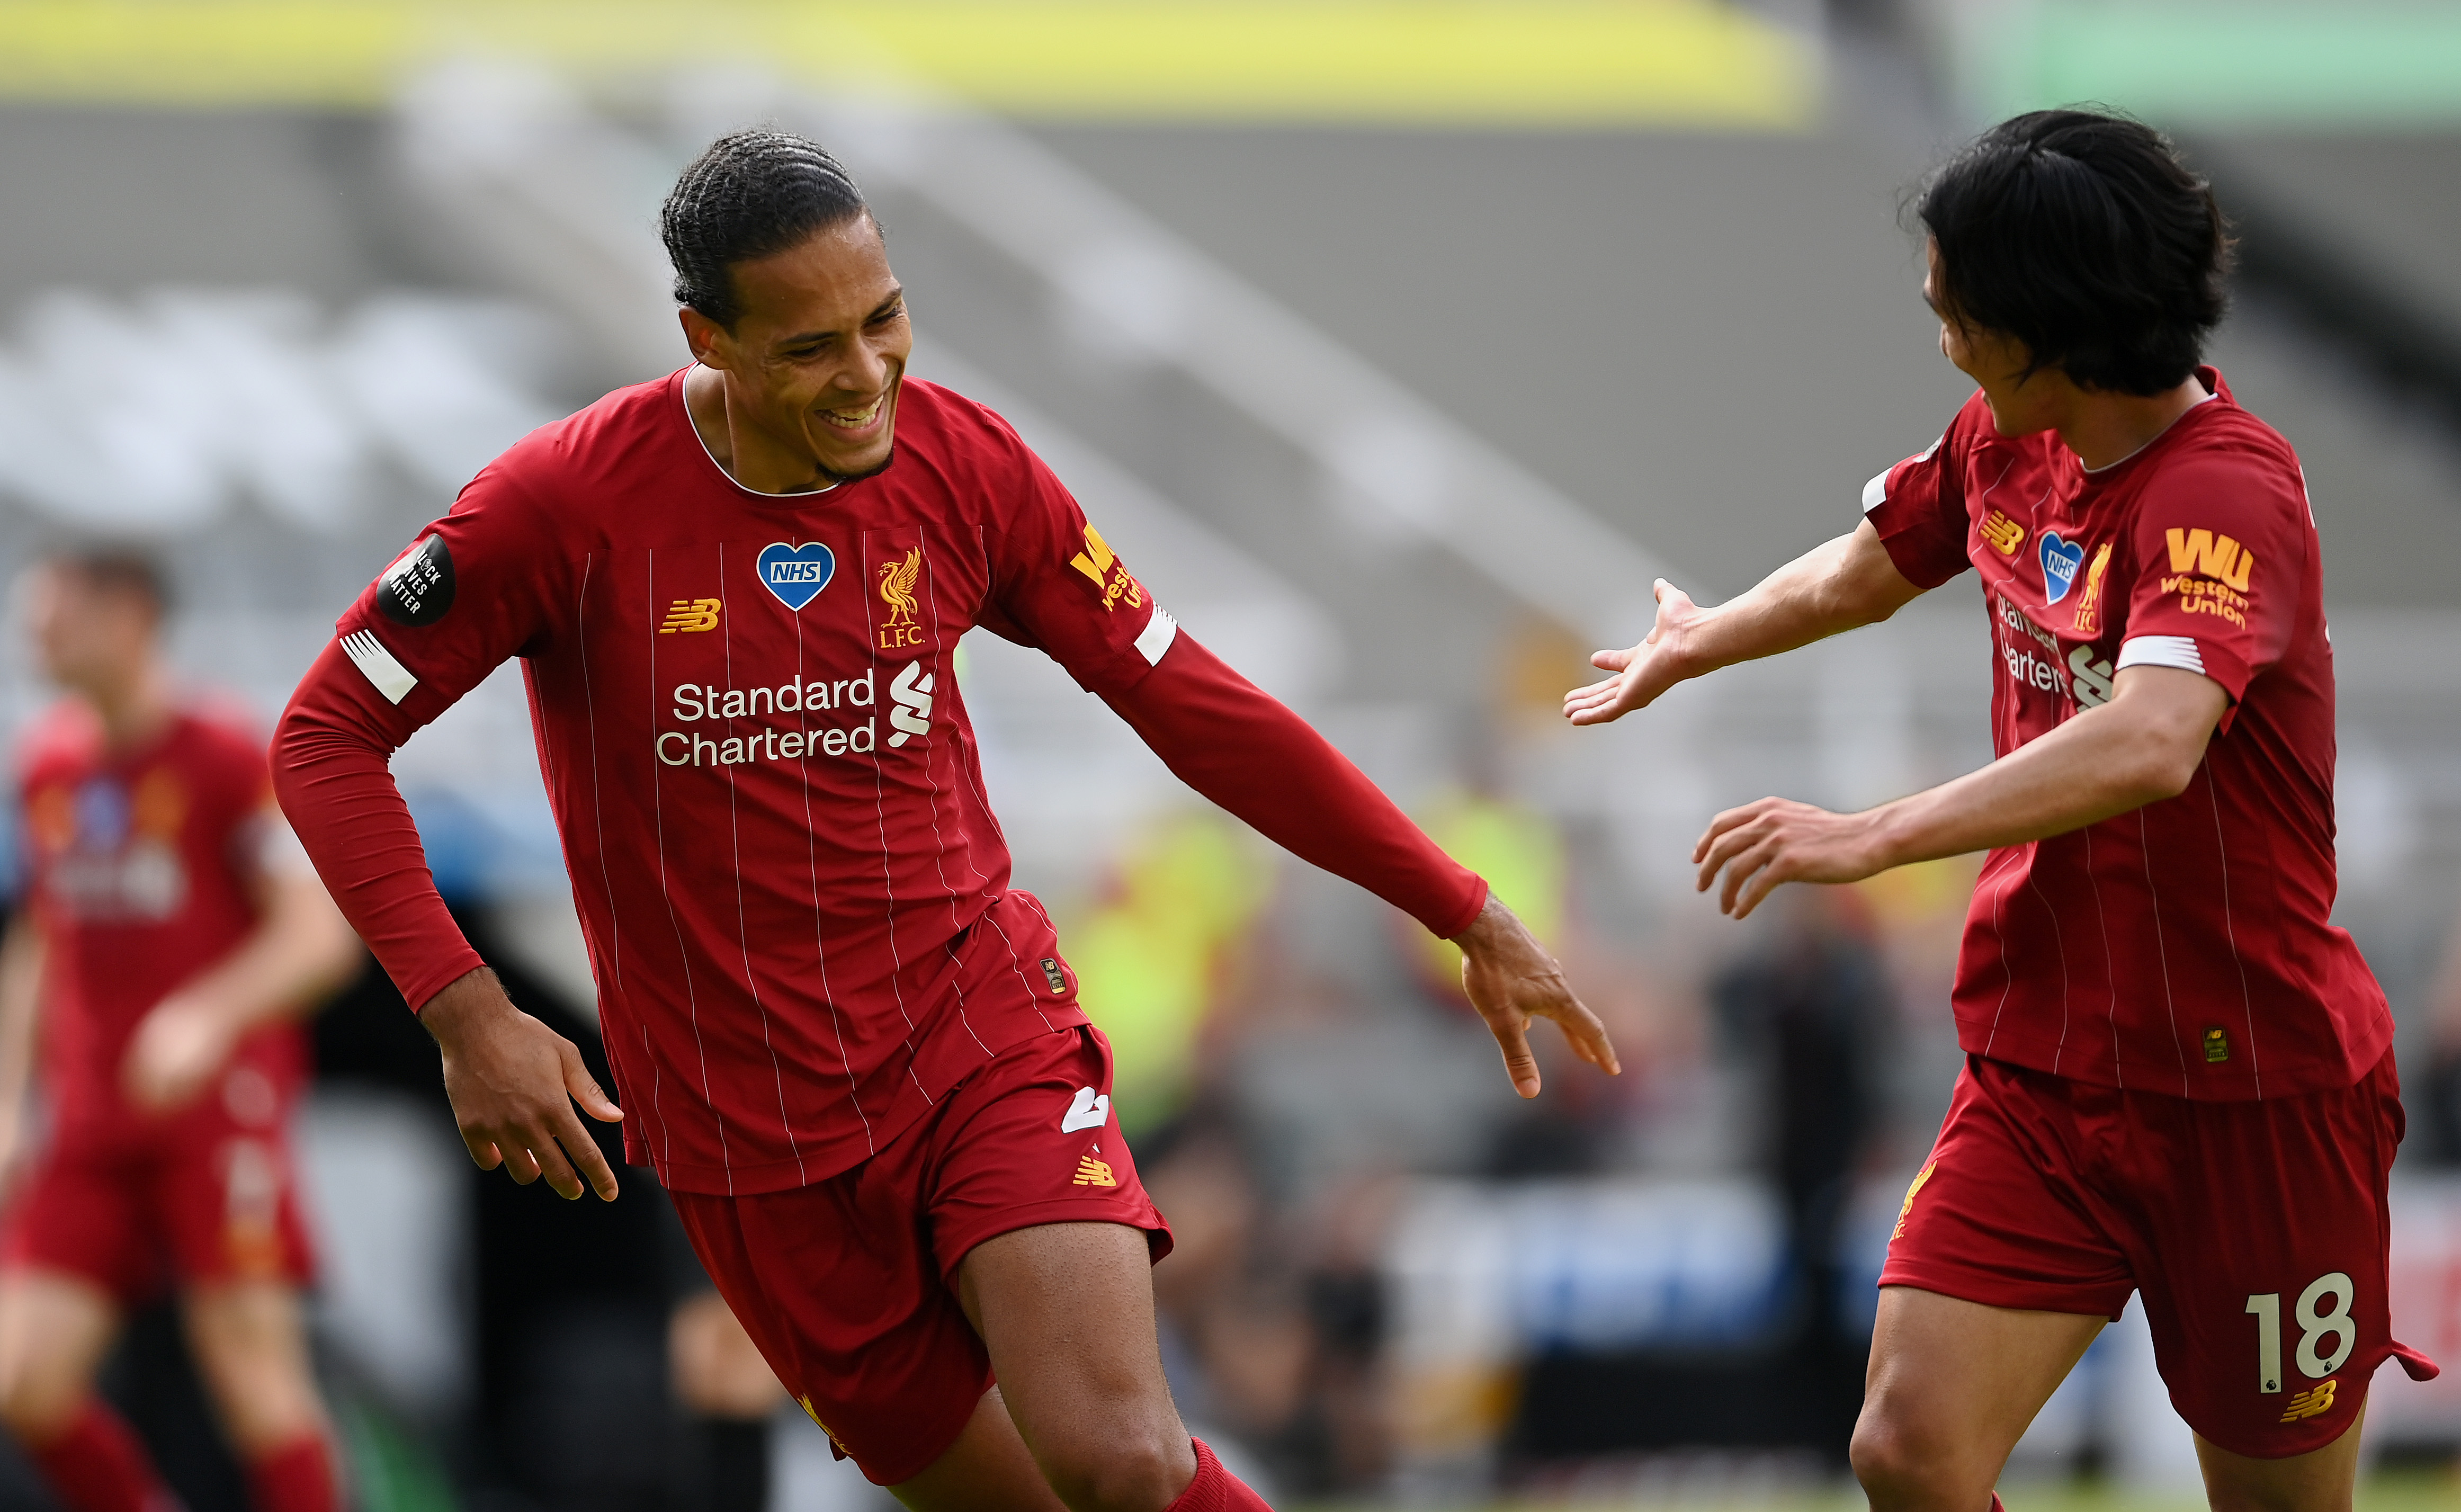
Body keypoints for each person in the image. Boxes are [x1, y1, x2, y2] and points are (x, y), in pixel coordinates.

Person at [272, 130, 1616, 1512]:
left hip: (971, 1038)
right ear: (706, 338)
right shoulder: (560, 507)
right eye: (809, 347)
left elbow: (1189, 701)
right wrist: (466, 1012)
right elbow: (323, 736)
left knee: (1118, 1459)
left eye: (885, 318)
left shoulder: (968, 470)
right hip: (746, 1136)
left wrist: (1458, 904)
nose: (865, 375)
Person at [1564, 109, 2432, 1508]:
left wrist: (1872, 832)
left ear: (2048, 329)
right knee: (1907, 1450)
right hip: (2046, 1073)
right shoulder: (2007, 440)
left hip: (2255, 1094)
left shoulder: (2223, 497)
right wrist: (1704, 637)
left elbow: (2154, 740)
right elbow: (1873, 561)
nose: (1945, 335)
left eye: (1957, 310)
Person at [0, 549, 362, 1512]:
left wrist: (207, 1015)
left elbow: (320, 938)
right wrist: (8, 1099)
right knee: (25, 1384)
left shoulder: (226, 754)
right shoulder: (44, 763)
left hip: (214, 1111)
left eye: (55, 611)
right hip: (88, 1119)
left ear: (127, 619)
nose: (33, 629)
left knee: (255, 1383)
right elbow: (43, 935)